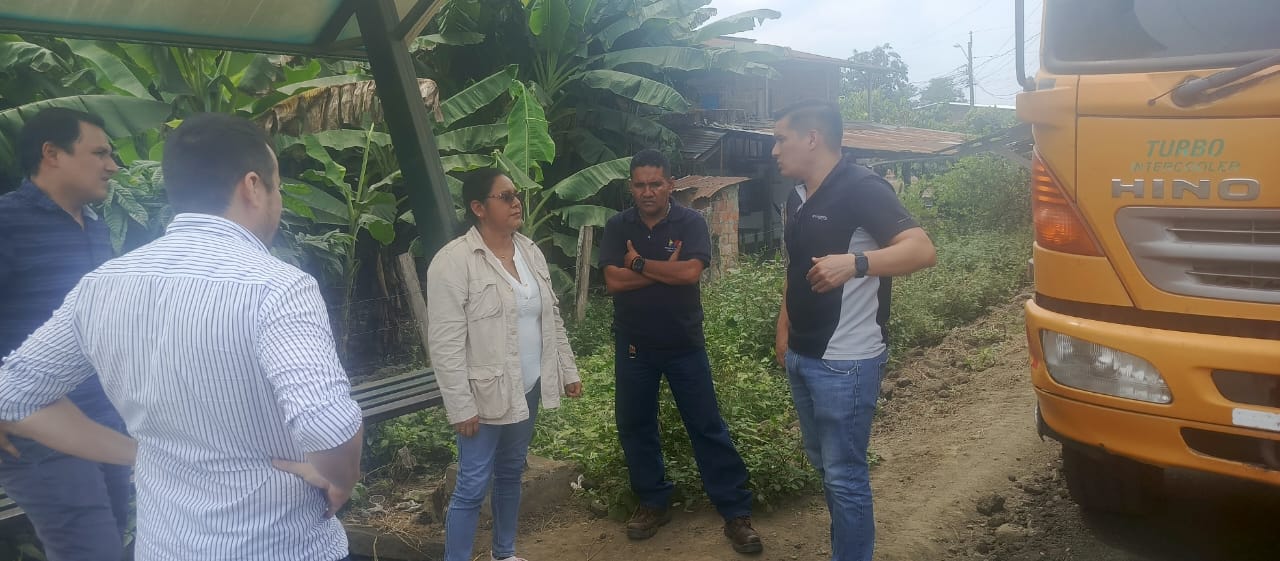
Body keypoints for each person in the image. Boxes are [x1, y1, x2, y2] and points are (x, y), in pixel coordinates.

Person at [0, 113, 364, 561]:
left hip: (165, 547)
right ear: (252, 186)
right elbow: (327, 425)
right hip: (279, 545)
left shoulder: (102, 285)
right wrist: (339, 479)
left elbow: (13, 394)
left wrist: (144, 453)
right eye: (278, 188)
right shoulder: (276, 287)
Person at [771, 101, 937, 561]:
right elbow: (794, 269)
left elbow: (922, 250)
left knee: (844, 475)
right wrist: (783, 329)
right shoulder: (797, 197)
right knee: (825, 465)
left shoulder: (862, 187)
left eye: (781, 139)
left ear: (812, 138)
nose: (774, 151)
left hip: (847, 360)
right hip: (802, 355)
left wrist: (857, 263)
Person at [599, 149, 762, 554]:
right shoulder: (618, 226)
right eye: (640, 185)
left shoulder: (691, 222)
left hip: (684, 344)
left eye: (655, 184)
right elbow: (613, 282)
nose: (647, 192)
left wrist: (639, 264)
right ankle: (653, 502)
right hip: (634, 345)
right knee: (636, 425)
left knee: (706, 426)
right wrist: (662, 270)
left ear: (671, 184)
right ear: (631, 186)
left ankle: (735, 512)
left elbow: (689, 272)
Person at [427, 168, 584, 561]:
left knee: (511, 472)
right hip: (483, 395)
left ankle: (504, 553)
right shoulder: (453, 262)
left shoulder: (529, 251)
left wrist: (567, 370)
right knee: (471, 485)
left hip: (527, 386)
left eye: (516, 195)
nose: (517, 202)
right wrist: (460, 405)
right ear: (478, 208)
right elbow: (445, 344)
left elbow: (551, 317)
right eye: (506, 196)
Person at [0, 107, 132, 561]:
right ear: (52, 154)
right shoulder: (7, 221)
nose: (112, 166)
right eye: (99, 153)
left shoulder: (95, 227)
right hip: (34, 426)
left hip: (102, 418)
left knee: (113, 535)